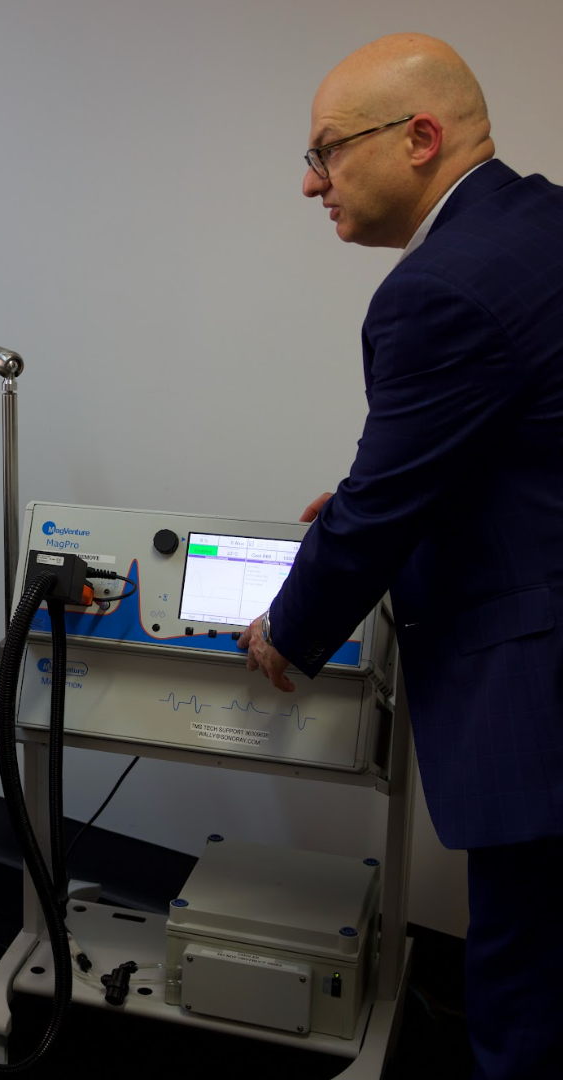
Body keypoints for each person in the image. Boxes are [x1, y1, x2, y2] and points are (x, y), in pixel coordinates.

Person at [238, 34, 563, 1079]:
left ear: (420, 138)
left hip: (541, 701)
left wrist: (289, 628)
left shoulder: (440, 291)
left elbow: (378, 508)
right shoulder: (540, 224)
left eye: (326, 151)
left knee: (529, 997)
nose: (309, 181)